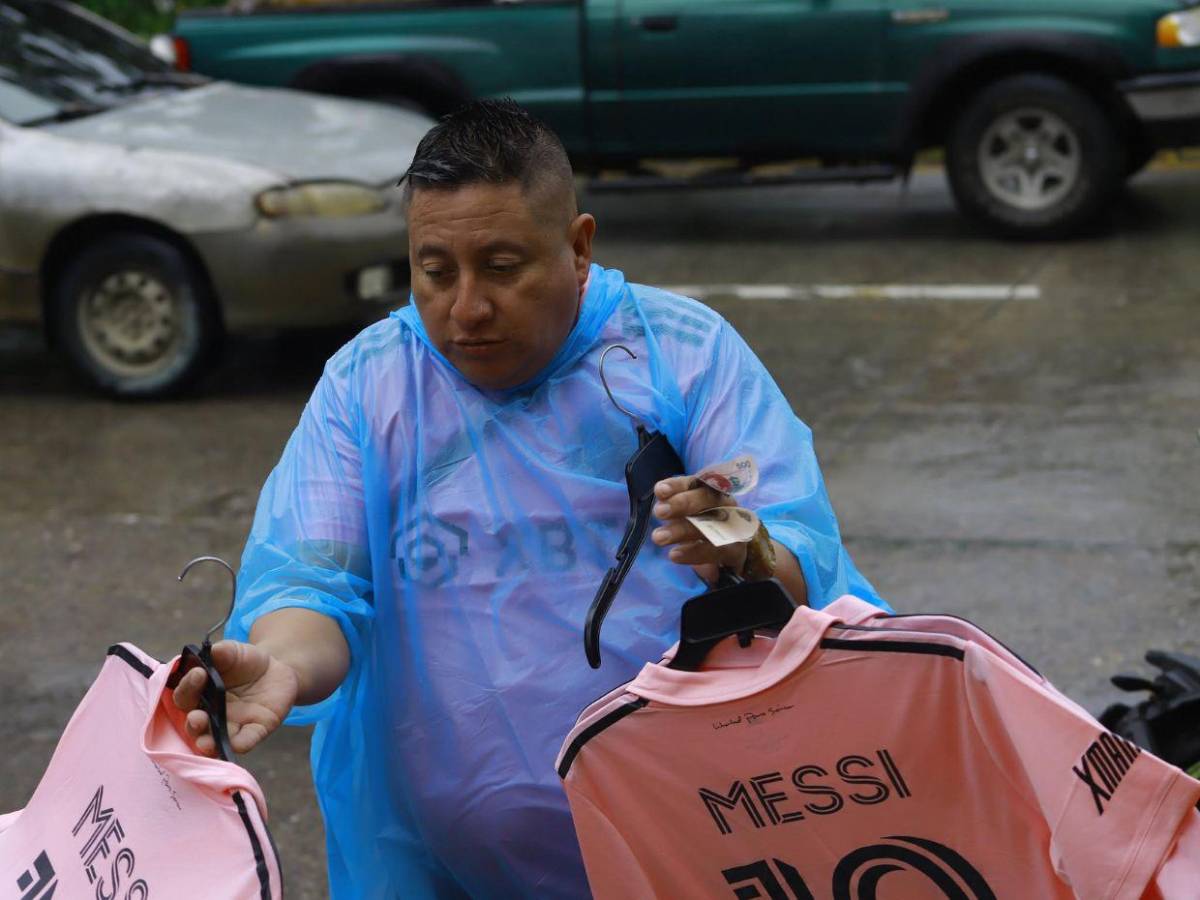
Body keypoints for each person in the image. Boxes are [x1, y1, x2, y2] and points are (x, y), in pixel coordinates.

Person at [171, 99, 890, 899]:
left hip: (688, 842)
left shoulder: (679, 355)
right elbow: (315, 581)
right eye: (434, 272)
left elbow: (795, 567)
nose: (466, 309)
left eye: (503, 268)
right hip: (437, 859)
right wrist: (283, 665)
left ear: (578, 248)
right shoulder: (370, 384)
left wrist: (730, 536)